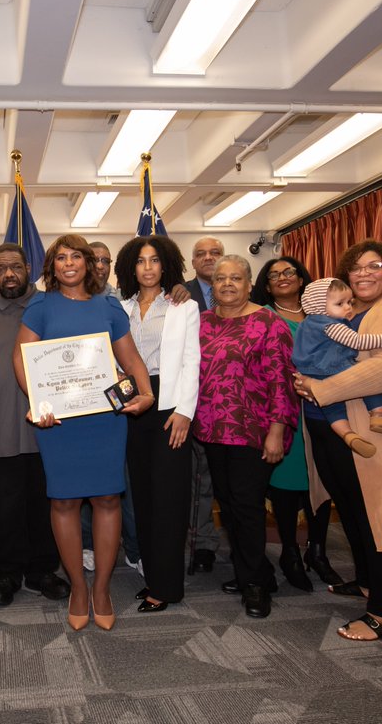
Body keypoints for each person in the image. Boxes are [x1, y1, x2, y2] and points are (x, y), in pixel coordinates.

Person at [293, 241, 382, 641]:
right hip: (338, 431)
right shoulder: (348, 313)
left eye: (374, 265)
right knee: (356, 513)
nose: (364, 273)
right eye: (355, 267)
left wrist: (320, 386)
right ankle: (367, 582)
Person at [13, 234, 155, 632]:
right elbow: (21, 359)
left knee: (108, 497)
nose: (70, 263)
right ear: (52, 266)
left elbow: (130, 357)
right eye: (62, 257)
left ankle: (103, 588)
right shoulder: (40, 304)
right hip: (57, 421)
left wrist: (145, 394)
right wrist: (38, 401)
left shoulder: (108, 305)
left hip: (103, 419)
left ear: (91, 264)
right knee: (63, 502)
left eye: (78, 256)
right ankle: (78, 587)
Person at [194, 255, 298, 619]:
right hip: (211, 430)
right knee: (229, 505)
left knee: (248, 508)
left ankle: (255, 584)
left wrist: (277, 430)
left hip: (252, 432)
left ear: (249, 283)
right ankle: (254, 572)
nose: (226, 284)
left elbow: (282, 382)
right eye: (220, 279)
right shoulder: (202, 323)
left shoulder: (270, 323)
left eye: (235, 278)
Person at [0, 243, 70, 607]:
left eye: (15, 267)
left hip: (48, 427)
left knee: (45, 503)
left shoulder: (51, 307)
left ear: (29, 268)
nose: (9, 274)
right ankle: (8, 571)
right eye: (0, 268)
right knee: (5, 505)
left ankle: (43, 570)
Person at [116, 235, 200, 613]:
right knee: (142, 498)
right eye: (140, 261)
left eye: (154, 260)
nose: (148, 267)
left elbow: (191, 362)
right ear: (131, 268)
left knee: (168, 498)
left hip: (170, 405)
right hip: (131, 403)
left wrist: (185, 411)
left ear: (165, 265)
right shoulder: (121, 308)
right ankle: (153, 577)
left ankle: (167, 587)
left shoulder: (184, 306)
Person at [250, 256, 344, 591]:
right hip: (283, 410)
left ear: (302, 278)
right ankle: (290, 551)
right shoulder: (262, 317)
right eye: (274, 274)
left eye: (289, 271)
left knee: (322, 478)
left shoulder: (328, 314)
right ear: (266, 284)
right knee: (288, 482)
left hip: (325, 407)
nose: (282, 277)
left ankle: (317, 551)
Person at [292, 278, 382, 457]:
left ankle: (348, 435)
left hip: (312, 374)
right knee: (368, 380)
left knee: (332, 407)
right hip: (333, 367)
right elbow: (357, 341)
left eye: (350, 302)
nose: (348, 307)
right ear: (318, 305)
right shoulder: (330, 324)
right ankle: (379, 416)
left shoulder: (305, 325)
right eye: (340, 303)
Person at [82, 241, 142, 574]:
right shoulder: (65, 299)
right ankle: (89, 543)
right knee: (87, 481)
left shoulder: (124, 301)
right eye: (94, 259)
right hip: (79, 402)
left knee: (123, 483)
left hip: (119, 400)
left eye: (106, 259)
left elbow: (132, 356)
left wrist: (126, 394)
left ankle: (133, 548)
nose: (100, 265)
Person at [183, 236, 226, 574]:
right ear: (192, 261)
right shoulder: (178, 295)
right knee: (199, 481)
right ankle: (202, 544)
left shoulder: (248, 297)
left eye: (215, 253)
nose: (209, 258)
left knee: (230, 482)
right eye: (201, 254)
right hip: (194, 401)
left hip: (237, 404)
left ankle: (239, 547)